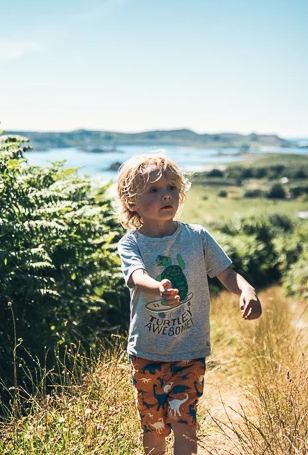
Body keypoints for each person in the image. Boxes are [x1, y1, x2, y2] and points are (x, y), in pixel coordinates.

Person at [116, 153, 262, 455]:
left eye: (170, 186)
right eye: (153, 190)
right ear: (131, 201)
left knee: (186, 425)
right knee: (154, 429)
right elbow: (136, 275)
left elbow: (226, 273)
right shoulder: (131, 243)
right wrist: (158, 288)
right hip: (146, 354)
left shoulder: (197, 237)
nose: (165, 194)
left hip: (190, 353)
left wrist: (247, 290)